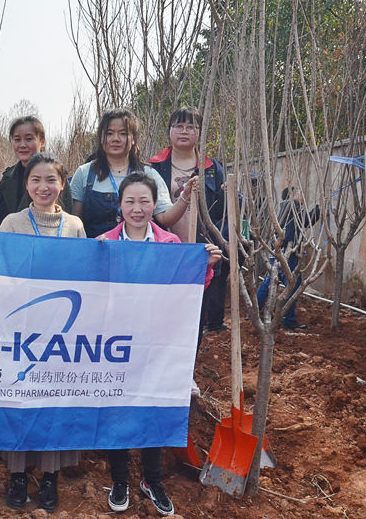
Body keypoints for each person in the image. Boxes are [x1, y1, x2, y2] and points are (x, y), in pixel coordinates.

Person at [98, 172, 220, 516]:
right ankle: (120, 479)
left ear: (155, 204)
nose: (137, 209)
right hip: (116, 344)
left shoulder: (170, 244)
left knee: (151, 406)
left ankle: (152, 480)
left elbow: (188, 290)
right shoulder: (104, 243)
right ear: (120, 205)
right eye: (130, 201)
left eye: (144, 201)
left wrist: (205, 266)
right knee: (118, 408)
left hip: (157, 342)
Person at [0, 152, 85, 512]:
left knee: (53, 398)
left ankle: (50, 476)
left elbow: (85, 276)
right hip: (21, 327)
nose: (43, 187)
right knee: (20, 395)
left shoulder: (75, 226)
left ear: (62, 184)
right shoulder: (12, 222)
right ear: (27, 184)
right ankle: (17, 474)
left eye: (51, 180)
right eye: (36, 180)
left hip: (62, 330)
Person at [148, 106, 228, 334]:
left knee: (194, 317)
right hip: (164, 250)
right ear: (169, 130)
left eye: (191, 127)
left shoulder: (212, 169)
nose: (184, 131)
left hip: (199, 252)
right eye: (179, 126)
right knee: (162, 313)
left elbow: (220, 213)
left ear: (200, 132)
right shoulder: (154, 167)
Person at [71, 108, 192, 238]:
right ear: (101, 137)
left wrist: (184, 197)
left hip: (139, 249)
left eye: (123, 134)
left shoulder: (150, 174)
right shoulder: (84, 173)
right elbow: (74, 223)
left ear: (133, 138)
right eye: (109, 133)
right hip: (96, 249)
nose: (115, 139)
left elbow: (165, 218)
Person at [256, 186, 320, 330]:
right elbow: (304, 221)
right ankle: (288, 320)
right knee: (292, 286)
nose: (302, 196)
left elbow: (302, 222)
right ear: (291, 195)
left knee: (269, 282)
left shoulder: (285, 207)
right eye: (299, 192)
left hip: (280, 252)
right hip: (288, 254)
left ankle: (253, 311)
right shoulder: (291, 207)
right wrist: (318, 210)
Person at [0, 116, 74, 214]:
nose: (22, 145)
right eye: (17, 139)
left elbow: (66, 214)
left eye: (28, 139)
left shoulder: (56, 175)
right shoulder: (7, 178)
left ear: (42, 142)